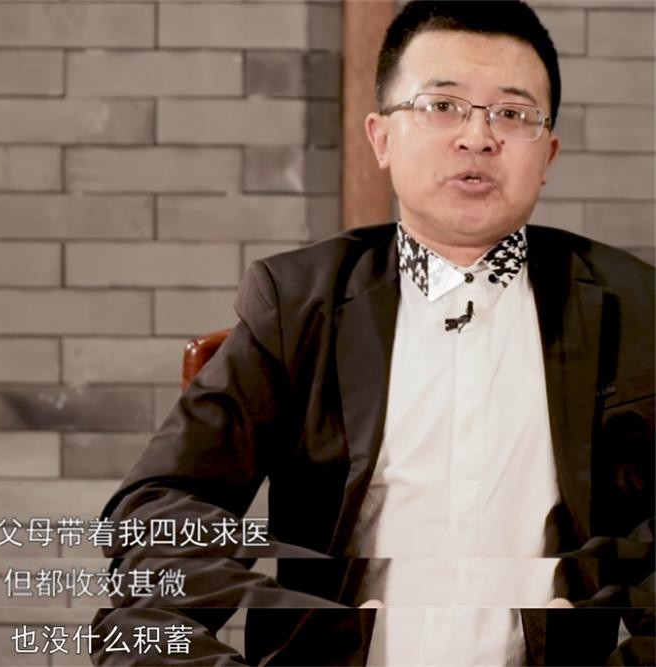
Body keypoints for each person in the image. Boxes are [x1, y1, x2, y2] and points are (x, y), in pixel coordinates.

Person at [90, 1, 654, 664]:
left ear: (548, 152)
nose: (478, 137)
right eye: (442, 106)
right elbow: (166, 504)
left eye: (512, 113)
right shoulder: (298, 304)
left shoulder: (633, 307)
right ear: (382, 137)